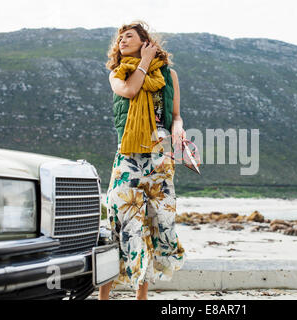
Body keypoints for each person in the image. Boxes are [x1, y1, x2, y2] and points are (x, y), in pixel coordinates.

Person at [99, 20, 186, 300]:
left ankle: (142, 296)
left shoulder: (169, 76)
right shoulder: (118, 73)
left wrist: (179, 128)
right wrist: (144, 62)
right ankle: (104, 295)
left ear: (144, 41)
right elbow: (130, 91)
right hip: (128, 156)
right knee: (120, 223)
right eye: (120, 37)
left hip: (160, 157)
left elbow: (175, 115)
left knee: (154, 224)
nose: (122, 40)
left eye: (129, 36)